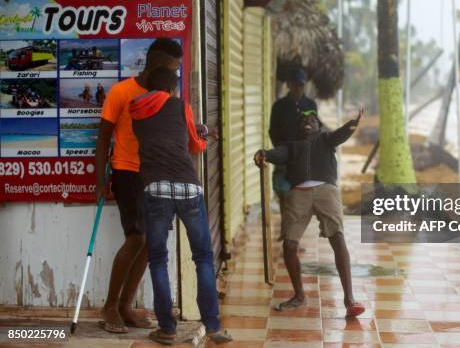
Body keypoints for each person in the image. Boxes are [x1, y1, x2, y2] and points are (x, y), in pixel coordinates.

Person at [129, 67, 232, 345]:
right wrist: (205, 135)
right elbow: (195, 144)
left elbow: (159, 134)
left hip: (155, 189)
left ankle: (167, 329)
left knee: (158, 259)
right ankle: (213, 326)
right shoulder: (180, 106)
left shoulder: (135, 110)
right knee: (203, 258)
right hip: (188, 188)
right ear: (172, 90)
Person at [95, 38, 182, 333]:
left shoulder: (167, 94)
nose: (175, 76)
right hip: (127, 173)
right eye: (172, 69)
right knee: (136, 238)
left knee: (152, 241)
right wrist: (99, 179)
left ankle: (125, 306)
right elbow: (104, 137)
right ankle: (109, 307)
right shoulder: (122, 91)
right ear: (156, 65)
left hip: (157, 174)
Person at [255, 107, 366, 318]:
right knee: (289, 245)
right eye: (303, 120)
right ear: (299, 127)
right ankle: (299, 295)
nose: (308, 122)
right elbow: (277, 154)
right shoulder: (291, 145)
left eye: (313, 120)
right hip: (299, 194)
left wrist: (353, 123)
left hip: (327, 192)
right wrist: (265, 154)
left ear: (319, 125)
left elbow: (341, 134)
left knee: (338, 239)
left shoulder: (326, 140)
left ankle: (349, 299)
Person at [268, 68, 317, 230]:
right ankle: (286, 228)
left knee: (299, 195)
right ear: (289, 85)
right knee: (283, 192)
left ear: (304, 86)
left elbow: (315, 129)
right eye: (295, 85)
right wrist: (281, 150)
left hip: (303, 157)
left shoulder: (310, 105)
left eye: (301, 86)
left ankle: (292, 233)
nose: (298, 89)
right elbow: (272, 130)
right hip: (284, 155)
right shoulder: (279, 106)